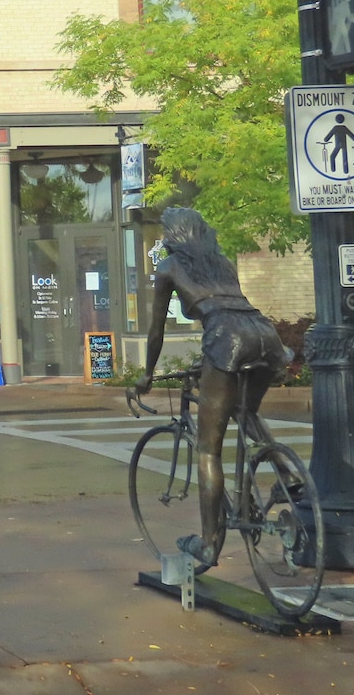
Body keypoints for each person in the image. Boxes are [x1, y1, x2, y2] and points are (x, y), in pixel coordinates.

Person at [135, 207, 291, 566]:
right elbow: (231, 309)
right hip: (265, 335)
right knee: (244, 410)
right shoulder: (222, 264)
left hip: (226, 339)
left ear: (174, 234)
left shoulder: (170, 267)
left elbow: (157, 329)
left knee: (208, 450)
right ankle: (289, 477)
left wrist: (147, 373)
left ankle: (208, 545)